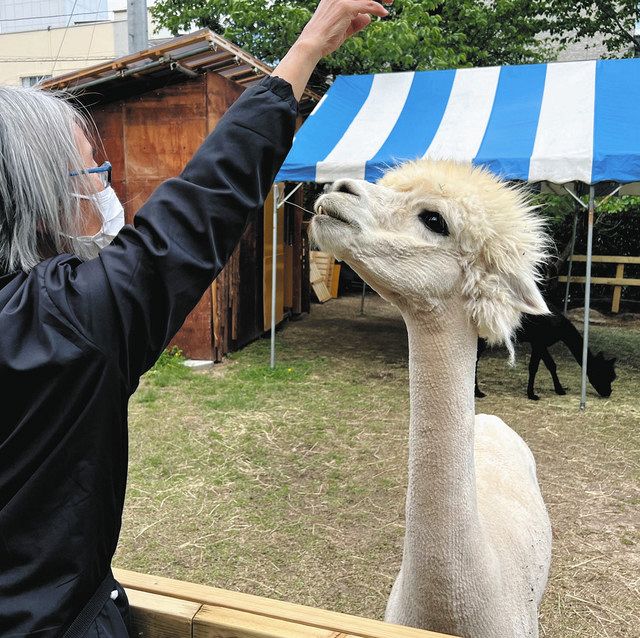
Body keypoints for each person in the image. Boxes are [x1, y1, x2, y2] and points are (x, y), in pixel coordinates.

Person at [0, 1, 391, 636]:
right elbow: (205, 199)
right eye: (90, 173)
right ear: (43, 203)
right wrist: (305, 52)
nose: (105, 185)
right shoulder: (69, 317)